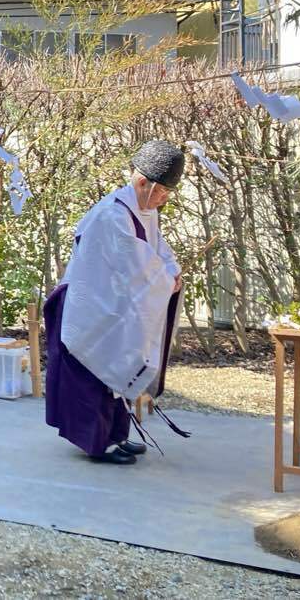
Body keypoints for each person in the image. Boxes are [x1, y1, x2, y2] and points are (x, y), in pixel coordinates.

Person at [44, 140, 186, 466]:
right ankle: (98, 443)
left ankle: (115, 435)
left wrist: (172, 271)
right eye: (163, 191)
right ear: (142, 183)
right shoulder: (111, 215)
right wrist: (165, 278)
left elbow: (157, 251)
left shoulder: (145, 211)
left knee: (114, 367)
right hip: (86, 308)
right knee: (93, 373)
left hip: (107, 306)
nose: (165, 198)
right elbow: (134, 262)